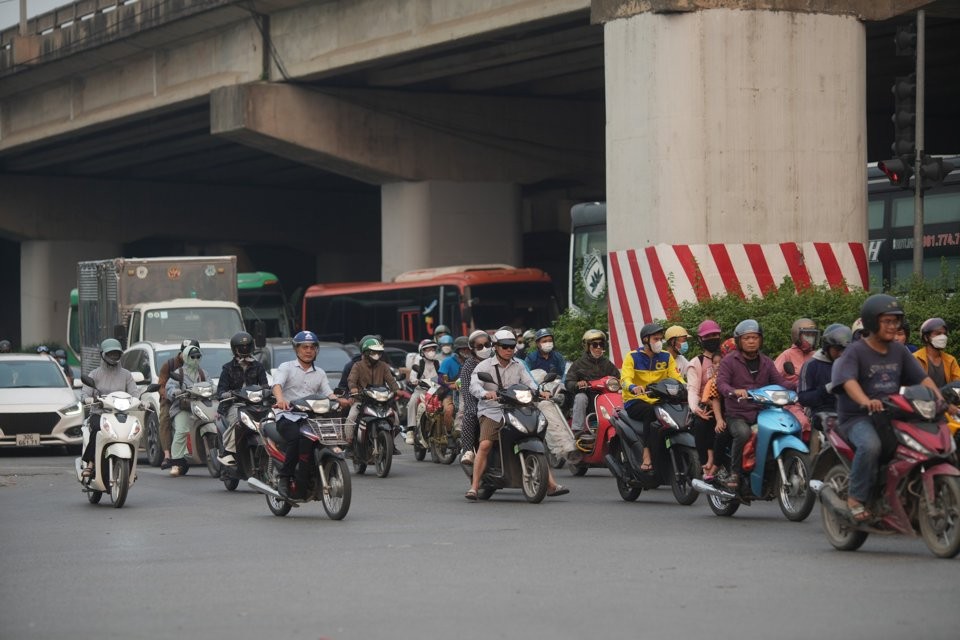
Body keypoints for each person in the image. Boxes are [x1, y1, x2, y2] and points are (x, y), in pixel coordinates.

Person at [831, 295, 942, 521]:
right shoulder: (855, 351)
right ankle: (856, 497)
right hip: (858, 417)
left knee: (924, 443)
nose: (893, 327)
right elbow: (849, 381)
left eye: (896, 321)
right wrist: (864, 400)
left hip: (892, 413)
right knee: (871, 446)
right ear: (872, 322)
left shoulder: (899, 351)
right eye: (887, 321)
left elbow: (923, 380)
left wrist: (941, 401)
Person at [466, 329, 568, 501]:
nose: (509, 349)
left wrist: (540, 392)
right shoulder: (483, 367)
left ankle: (550, 484)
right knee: (485, 444)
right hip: (492, 410)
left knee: (536, 437)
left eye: (512, 346)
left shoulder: (519, 365)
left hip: (516, 408)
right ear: (496, 347)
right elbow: (474, 386)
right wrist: (485, 393)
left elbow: (529, 383)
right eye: (505, 346)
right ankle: (474, 487)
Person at [271, 330, 348, 499]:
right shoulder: (287, 367)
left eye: (312, 347)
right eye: (304, 347)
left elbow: (328, 393)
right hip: (287, 416)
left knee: (326, 437)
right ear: (296, 349)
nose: (308, 351)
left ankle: (313, 474)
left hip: (312, 418)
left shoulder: (319, 372)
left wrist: (339, 401)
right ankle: (284, 477)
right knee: (296, 438)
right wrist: (281, 400)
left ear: (316, 350)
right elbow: (277, 385)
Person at [715, 319, 789, 490]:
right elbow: (722, 384)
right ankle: (735, 473)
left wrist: (798, 387)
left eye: (755, 337)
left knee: (780, 430)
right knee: (743, 433)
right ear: (739, 341)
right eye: (747, 338)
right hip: (738, 414)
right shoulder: (729, 361)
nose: (751, 341)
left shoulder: (766, 362)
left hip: (762, 412)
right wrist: (734, 391)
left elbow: (780, 382)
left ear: (760, 340)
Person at [619, 323, 686, 472]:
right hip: (636, 401)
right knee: (651, 412)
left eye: (660, 339)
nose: (659, 342)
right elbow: (624, 380)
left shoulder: (666, 356)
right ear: (645, 340)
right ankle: (647, 453)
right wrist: (633, 387)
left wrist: (687, 387)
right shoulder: (632, 356)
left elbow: (676, 377)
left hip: (660, 400)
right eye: (656, 339)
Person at [81, 339, 139, 478]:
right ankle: (91, 463)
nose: (114, 356)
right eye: (110, 353)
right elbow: (85, 394)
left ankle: (130, 467)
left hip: (121, 414)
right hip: (100, 413)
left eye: (116, 353)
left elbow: (134, 393)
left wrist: (141, 402)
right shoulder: (94, 374)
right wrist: (90, 399)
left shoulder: (126, 374)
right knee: (97, 429)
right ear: (103, 354)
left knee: (133, 430)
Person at [216, 331, 269, 466]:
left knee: (269, 420)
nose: (244, 350)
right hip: (234, 404)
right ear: (235, 349)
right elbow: (220, 390)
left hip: (254, 403)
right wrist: (226, 394)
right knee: (238, 420)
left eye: (247, 346)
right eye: (241, 347)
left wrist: (268, 392)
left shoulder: (258, 366)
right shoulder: (227, 368)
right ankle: (227, 451)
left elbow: (264, 385)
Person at [345, 337, 400, 447]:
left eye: (378, 352)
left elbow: (391, 380)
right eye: (373, 352)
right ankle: (349, 443)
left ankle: (390, 443)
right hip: (362, 400)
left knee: (396, 418)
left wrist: (396, 390)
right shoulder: (358, 366)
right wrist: (353, 389)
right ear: (366, 353)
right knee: (352, 416)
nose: (377, 355)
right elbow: (351, 379)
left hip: (380, 401)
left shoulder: (383, 366)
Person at [685, 320, 723, 476]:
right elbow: (692, 389)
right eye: (708, 336)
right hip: (705, 406)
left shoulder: (727, 357)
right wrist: (695, 408)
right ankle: (705, 463)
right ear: (701, 340)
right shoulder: (696, 362)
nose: (712, 338)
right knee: (701, 426)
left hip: (728, 403)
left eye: (715, 335)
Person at [165, 343, 208, 476]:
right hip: (182, 407)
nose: (195, 359)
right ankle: (176, 463)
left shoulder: (203, 373)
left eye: (197, 356)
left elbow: (211, 385)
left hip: (201, 406)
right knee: (182, 430)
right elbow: (169, 387)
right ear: (185, 357)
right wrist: (175, 392)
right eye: (192, 356)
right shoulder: (179, 373)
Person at [564, 329, 619, 435]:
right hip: (587, 397)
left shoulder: (608, 364)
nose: (598, 347)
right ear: (587, 347)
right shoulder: (578, 364)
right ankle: (578, 430)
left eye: (601, 344)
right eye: (595, 345)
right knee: (580, 397)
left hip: (605, 397)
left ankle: (619, 424)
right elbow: (568, 382)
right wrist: (577, 384)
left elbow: (618, 379)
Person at [158, 339, 199, 470]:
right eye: (187, 353)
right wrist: (172, 395)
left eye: (196, 355)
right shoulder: (169, 364)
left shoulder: (199, 368)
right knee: (165, 419)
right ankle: (167, 455)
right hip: (171, 399)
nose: (193, 357)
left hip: (193, 398)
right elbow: (162, 385)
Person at [798, 323, 851, 417]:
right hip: (821, 413)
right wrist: (826, 389)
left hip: (848, 412)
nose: (841, 353)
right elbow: (803, 398)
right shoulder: (812, 365)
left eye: (844, 349)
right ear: (827, 347)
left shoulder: (851, 364)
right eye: (837, 349)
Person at [459, 330, 491, 465]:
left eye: (487, 344)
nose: (484, 349)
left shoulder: (498, 358)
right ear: (472, 349)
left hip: (500, 400)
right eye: (480, 346)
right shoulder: (468, 366)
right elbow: (467, 391)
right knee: (470, 414)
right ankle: (468, 450)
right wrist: (474, 406)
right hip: (477, 400)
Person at [914, 317, 960, 401]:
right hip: (924, 404)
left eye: (944, 334)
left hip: (947, 405)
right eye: (938, 333)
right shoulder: (915, 358)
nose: (942, 337)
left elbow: (957, 383)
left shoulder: (951, 360)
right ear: (926, 337)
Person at [406, 339, 440, 445]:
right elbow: (412, 377)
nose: (431, 351)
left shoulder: (439, 363)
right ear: (422, 352)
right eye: (428, 350)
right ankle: (410, 430)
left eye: (433, 349)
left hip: (436, 391)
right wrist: (415, 380)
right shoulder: (418, 363)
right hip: (421, 390)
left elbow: (443, 376)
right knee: (412, 402)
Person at [774, 318, 820, 391]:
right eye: (807, 335)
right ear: (797, 336)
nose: (810, 339)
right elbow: (774, 377)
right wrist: (791, 385)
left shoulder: (817, 356)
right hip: (792, 396)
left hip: (813, 396)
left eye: (813, 335)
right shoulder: (787, 355)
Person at [438, 336, 470, 435]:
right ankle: (450, 434)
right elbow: (440, 378)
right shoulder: (448, 361)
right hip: (450, 394)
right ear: (458, 350)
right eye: (463, 349)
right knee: (449, 410)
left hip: (469, 393)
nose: (466, 351)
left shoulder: (472, 361)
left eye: (468, 349)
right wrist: (450, 386)